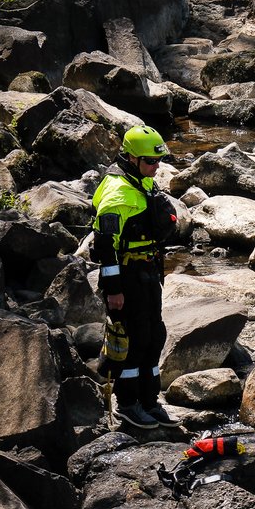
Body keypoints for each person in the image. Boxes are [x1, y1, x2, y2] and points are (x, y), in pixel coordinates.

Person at [92, 125, 179, 430]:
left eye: (159, 162)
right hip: (126, 276)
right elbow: (105, 246)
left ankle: (149, 400)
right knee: (133, 339)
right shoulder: (118, 194)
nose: (157, 168)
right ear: (131, 157)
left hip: (148, 272)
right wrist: (114, 289)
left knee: (155, 336)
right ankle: (127, 404)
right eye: (151, 162)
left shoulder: (141, 182)